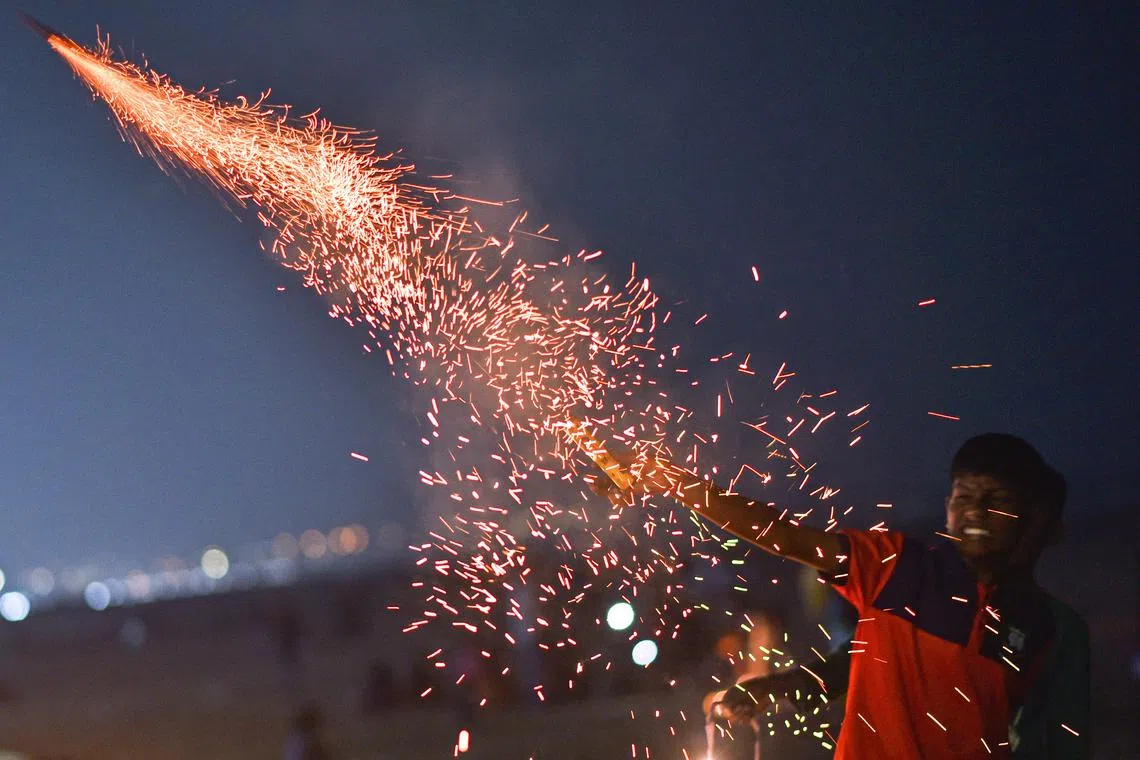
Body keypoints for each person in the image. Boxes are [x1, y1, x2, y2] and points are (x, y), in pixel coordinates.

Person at [597, 432, 1090, 759]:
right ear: (947, 509)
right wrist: (664, 476)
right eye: (964, 497)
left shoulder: (1048, 627)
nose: (977, 512)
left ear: (1031, 516)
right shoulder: (899, 568)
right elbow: (783, 535)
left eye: (997, 500)